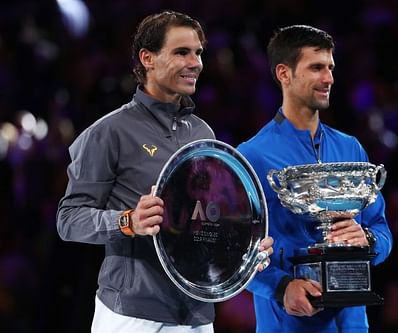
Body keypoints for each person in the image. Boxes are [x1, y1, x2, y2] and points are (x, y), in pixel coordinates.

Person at [56, 10, 272, 333]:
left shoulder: (202, 134)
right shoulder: (109, 132)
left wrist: (244, 248)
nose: (196, 62)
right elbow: (68, 219)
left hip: (196, 313)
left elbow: (204, 220)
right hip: (131, 313)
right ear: (148, 58)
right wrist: (127, 221)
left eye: (198, 52)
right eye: (182, 52)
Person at [237, 25, 393, 332]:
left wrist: (368, 239)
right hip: (289, 323)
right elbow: (232, 252)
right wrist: (280, 288)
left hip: (352, 324)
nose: (329, 79)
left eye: (331, 68)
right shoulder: (252, 155)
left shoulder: (350, 148)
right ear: (284, 73)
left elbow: (381, 228)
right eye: (316, 68)